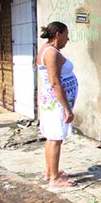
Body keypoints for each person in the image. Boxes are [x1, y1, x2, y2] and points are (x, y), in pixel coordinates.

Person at [37, 21, 78, 187]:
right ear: (58, 34)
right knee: (56, 138)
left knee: (52, 137)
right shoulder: (51, 53)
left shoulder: (48, 49)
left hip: (52, 101)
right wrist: (67, 109)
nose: (67, 39)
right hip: (56, 103)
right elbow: (55, 83)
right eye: (66, 35)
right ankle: (54, 178)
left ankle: (50, 172)